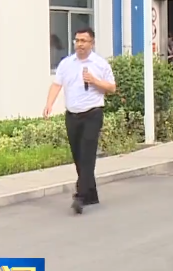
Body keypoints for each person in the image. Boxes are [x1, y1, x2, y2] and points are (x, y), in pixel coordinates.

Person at [43, 27, 117, 215]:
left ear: (92, 43)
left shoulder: (100, 64)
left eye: (84, 41)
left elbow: (112, 88)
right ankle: (91, 193)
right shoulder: (66, 64)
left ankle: (80, 195)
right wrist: (49, 104)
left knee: (87, 155)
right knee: (78, 156)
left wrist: (94, 80)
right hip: (72, 115)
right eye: (77, 40)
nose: (80, 44)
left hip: (92, 114)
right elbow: (56, 85)